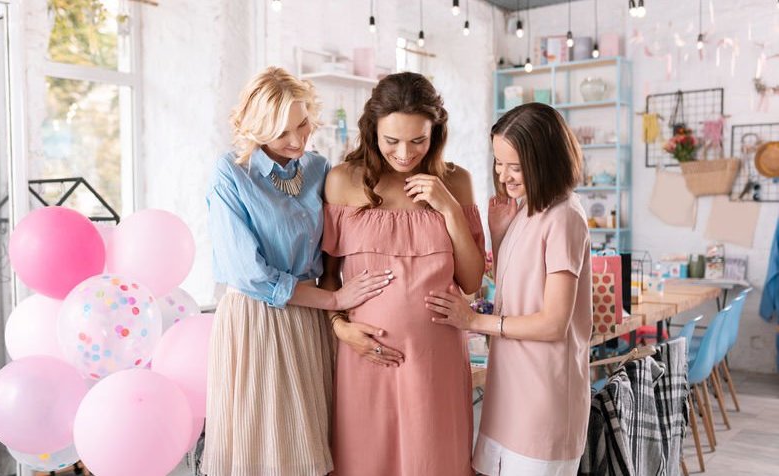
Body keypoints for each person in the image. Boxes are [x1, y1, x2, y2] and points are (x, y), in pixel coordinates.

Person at [202, 66, 393, 476]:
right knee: (267, 449)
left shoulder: (320, 168)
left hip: (310, 320)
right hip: (258, 320)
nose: (297, 140)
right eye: (281, 132)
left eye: (303, 124)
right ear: (256, 128)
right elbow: (250, 273)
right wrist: (336, 299)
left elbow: (345, 233)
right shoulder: (231, 174)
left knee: (312, 444)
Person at [321, 71, 485, 476]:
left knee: (435, 462)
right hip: (366, 356)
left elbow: (471, 280)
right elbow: (325, 279)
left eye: (418, 140)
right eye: (391, 140)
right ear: (372, 129)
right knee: (366, 462)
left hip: (437, 359)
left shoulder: (456, 182)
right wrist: (340, 329)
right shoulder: (343, 181)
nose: (404, 153)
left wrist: (447, 207)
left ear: (436, 132)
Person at [425, 102, 592, 476]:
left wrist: (473, 321)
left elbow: (553, 323)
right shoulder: (527, 210)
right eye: (499, 164)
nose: (504, 176)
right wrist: (499, 237)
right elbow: (517, 290)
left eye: (515, 167)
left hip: (543, 402)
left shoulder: (564, 217)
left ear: (545, 161)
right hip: (508, 395)